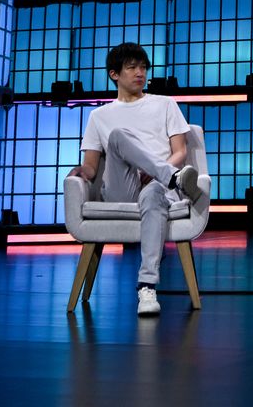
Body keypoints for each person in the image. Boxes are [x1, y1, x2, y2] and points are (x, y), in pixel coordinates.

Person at [68, 43, 203, 316]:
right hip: (124, 187)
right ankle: (174, 179)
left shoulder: (165, 104)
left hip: (156, 185)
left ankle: (147, 287)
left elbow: (180, 152)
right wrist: (80, 172)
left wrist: (155, 171)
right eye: (132, 67)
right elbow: (92, 168)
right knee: (118, 135)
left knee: (154, 194)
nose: (140, 73)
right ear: (114, 74)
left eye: (143, 67)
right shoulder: (99, 116)